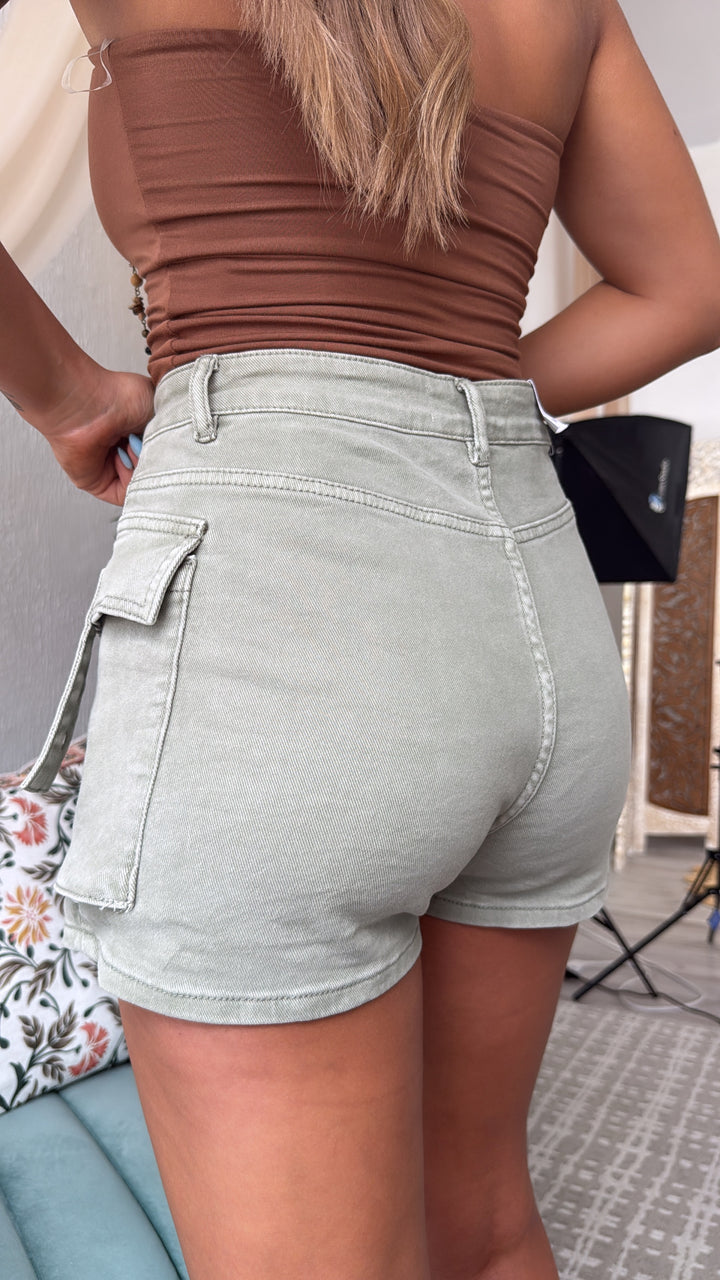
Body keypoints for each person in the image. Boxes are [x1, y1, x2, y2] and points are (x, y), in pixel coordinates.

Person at [3, 1, 720, 1277]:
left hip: (278, 628)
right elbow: (689, 285)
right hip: (535, 613)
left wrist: (65, 395)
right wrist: (444, 389)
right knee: (482, 1227)